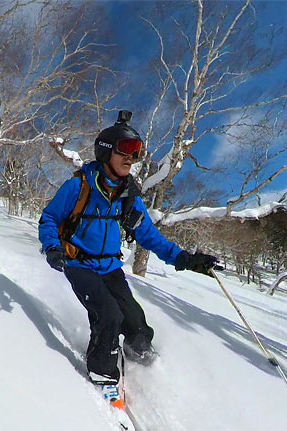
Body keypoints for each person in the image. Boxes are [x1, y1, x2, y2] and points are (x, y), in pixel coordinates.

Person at [38, 111, 221, 406]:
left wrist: (186, 259)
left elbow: (150, 237)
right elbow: (49, 218)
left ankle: (143, 359)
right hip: (78, 263)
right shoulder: (78, 186)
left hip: (110, 267)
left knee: (135, 322)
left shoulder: (129, 198)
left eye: (136, 153)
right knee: (108, 314)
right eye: (126, 150)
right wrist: (52, 247)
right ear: (107, 150)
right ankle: (103, 373)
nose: (131, 158)